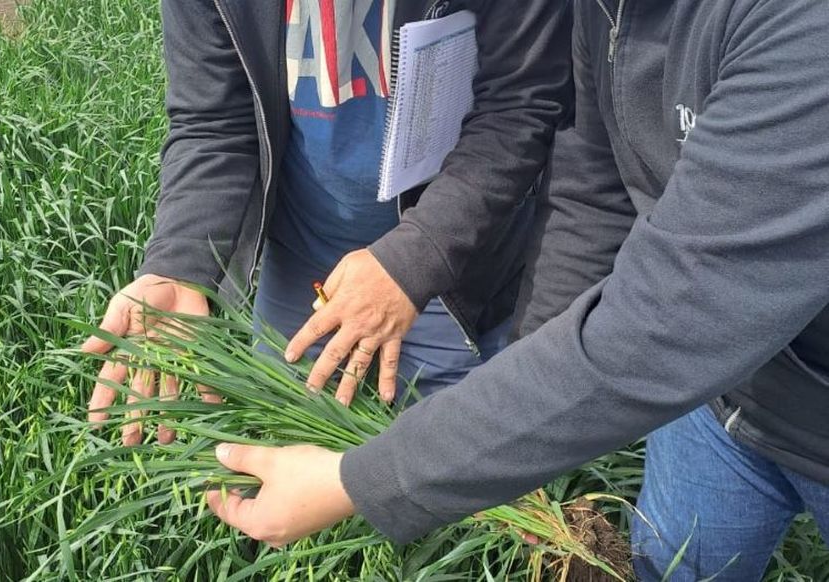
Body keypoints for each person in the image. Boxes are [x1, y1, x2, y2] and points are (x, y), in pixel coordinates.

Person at [202, 0, 829, 580]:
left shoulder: (801, 30)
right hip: (717, 405)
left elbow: (665, 326)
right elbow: (594, 193)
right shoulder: (609, 9)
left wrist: (359, 480)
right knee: (664, 566)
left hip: (803, 406)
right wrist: (520, 422)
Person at [82, 0, 572, 444]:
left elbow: (518, 107)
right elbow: (215, 121)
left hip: (455, 269)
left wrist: (415, 259)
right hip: (304, 263)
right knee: (293, 450)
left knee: (459, 481)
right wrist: (180, 262)